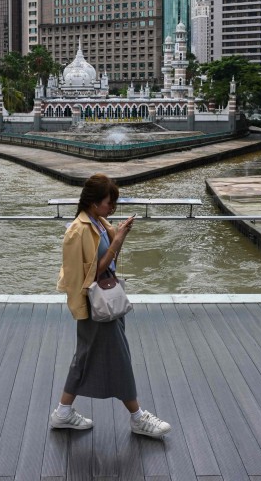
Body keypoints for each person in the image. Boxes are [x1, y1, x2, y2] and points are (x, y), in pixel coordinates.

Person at [51, 173, 172, 439]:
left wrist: (120, 235)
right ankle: (138, 417)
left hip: (107, 300)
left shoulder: (98, 222)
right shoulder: (78, 231)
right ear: (94, 202)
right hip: (95, 306)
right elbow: (87, 275)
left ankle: (62, 412)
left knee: (84, 357)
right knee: (120, 357)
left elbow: (110, 260)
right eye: (109, 203)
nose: (112, 208)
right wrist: (116, 241)